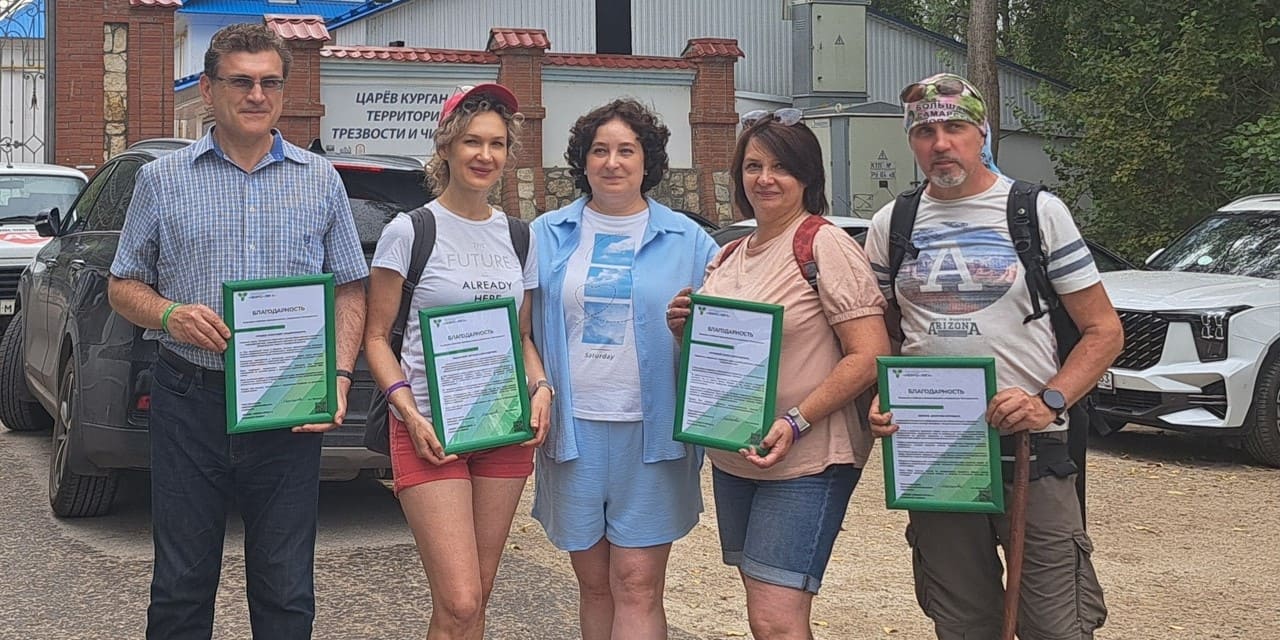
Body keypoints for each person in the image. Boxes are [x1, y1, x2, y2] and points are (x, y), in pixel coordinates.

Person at [107, 24, 367, 639]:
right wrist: (169, 314)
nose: (257, 95)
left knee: (285, 587)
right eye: (241, 81)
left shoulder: (320, 179)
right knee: (180, 584)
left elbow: (351, 288)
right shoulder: (162, 179)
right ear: (208, 88)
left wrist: (338, 375)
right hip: (189, 397)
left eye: (270, 82)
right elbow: (123, 285)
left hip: (289, 404)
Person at [863, 72, 1121, 639]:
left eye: (955, 128)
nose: (940, 144)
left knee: (1055, 626)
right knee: (963, 623)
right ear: (912, 142)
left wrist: (1048, 401)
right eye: (925, 132)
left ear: (982, 133)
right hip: (936, 450)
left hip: (1033, 448)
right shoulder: (891, 223)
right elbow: (882, 330)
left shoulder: (1035, 212)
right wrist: (881, 391)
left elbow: (1104, 331)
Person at [667, 108, 890, 639]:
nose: (765, 179)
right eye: (753, 166)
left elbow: (869, 355)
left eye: (781, 167)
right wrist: (687, 330)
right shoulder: (731, 253)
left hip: (806, 460)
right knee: (763, 611)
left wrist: (796, 421)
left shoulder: (824, 244)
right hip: (737, 454)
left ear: (808, 176)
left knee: (776, 619)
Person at [363, 83, 550, 639]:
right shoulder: (410, 231)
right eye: (472, 141)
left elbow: (522, 337)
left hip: (503, 425)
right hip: (429, 429)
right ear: (445, 146)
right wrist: (407, 412)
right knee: (461, 597)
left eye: (496, 143)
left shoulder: (519, 237)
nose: (484, 155)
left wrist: (542, 388)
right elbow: (376, 338)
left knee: (476, 596)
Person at [530, 99, 719, 640]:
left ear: (647, 160)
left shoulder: (690, 241)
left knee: (637, 584)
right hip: (574, 433)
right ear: (583, 161)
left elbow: (726, 335)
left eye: (626, 150)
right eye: (600, 150)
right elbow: (521, 329)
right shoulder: (545, 234)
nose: (612, 162)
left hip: (652, 436)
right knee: (593, 585)